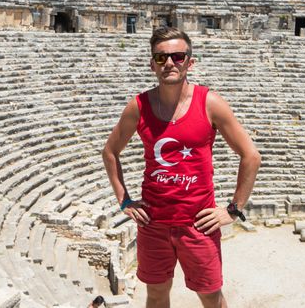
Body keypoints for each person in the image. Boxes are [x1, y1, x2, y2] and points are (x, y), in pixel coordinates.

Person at [102, 26, 261, 308]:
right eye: (161, 58)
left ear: (190, 62)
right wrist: (124, 200)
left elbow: (250, 155)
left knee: (210, 296)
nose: (170, 63)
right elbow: (110, 151)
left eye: (177, 56)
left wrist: (233, 209)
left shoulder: (210, 103)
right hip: (154, 223)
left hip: (197, 222)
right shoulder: (138, 106)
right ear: (152, 65)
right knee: (157, 294)